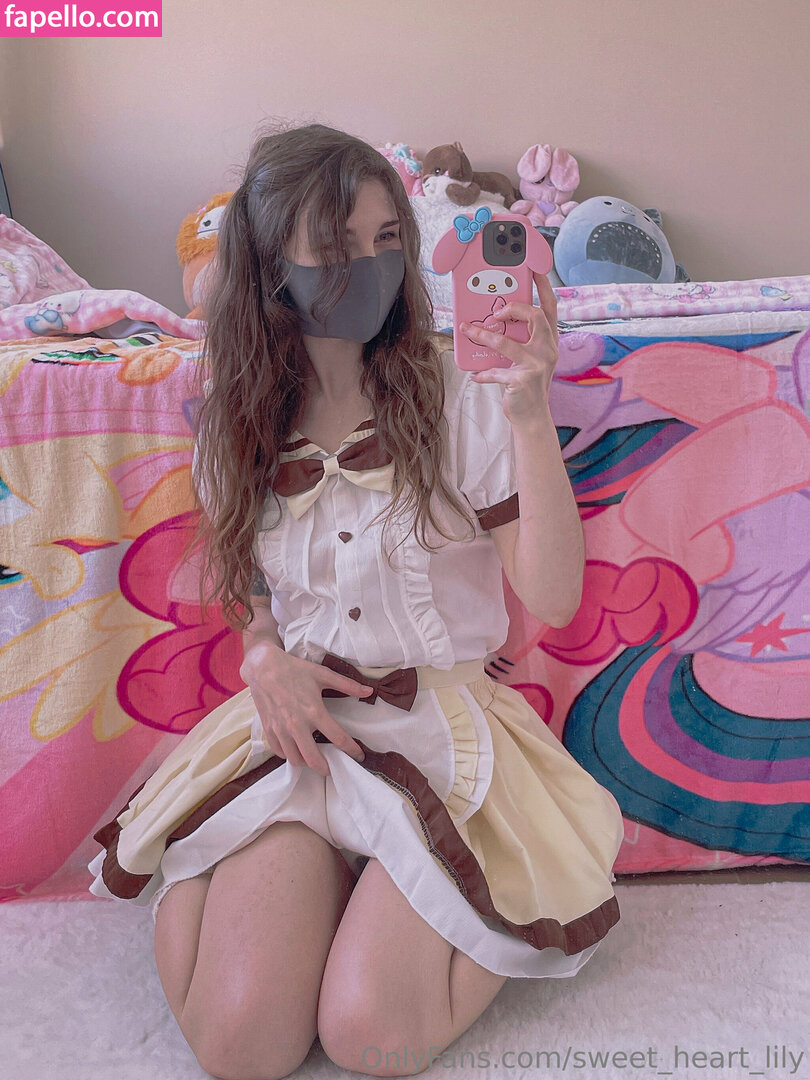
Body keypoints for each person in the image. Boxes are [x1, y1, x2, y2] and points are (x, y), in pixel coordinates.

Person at [88, 122, 625, 1080]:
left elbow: (554, 593)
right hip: (306, 735)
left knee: (372, 1036)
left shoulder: (464, 395)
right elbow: (253, 598)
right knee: (240, 1046)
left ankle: (446, 898)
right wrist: (262, 656)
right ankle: (252, 879)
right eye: (336, 248)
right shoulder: (236, 420)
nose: (370, 267)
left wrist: (530, 414)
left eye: (386, 240)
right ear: (270, 266)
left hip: (443, 740)